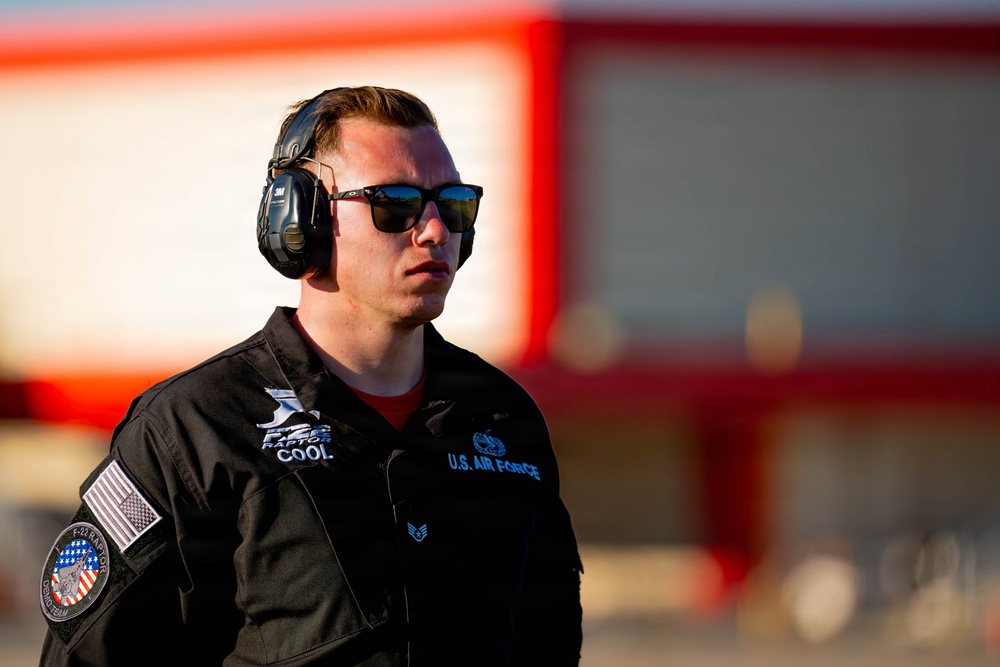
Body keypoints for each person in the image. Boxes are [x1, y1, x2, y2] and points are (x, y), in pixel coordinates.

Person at [37, 86, 583, 666]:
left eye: (452, 204)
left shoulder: (505, 418)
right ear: (301, 220)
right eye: (394, 203)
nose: (433, 231)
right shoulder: (194, 429)